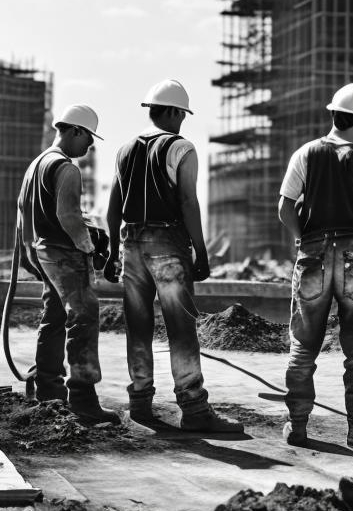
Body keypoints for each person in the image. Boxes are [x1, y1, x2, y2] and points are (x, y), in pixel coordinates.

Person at [105, 79, 243, 433]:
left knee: (138, 325)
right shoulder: (181, 148)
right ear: (171, 112)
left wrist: (111, 251)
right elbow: (187, 201)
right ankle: (194, 409)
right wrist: (200, 248)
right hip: (166, 241)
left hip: (130, 241)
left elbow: (114, 207)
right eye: (182, 114)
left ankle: (140, 402)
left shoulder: (124, 150)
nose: (183, 121)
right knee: (180, 327)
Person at [278, 83, 353, 449]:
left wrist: (306, 240)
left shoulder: (304, 153)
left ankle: (297, 424)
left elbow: (284, 208)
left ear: (332, 116)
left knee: (303, 344)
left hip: (313, 253)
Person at [17, 104, 120, 425]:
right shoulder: (66, 168)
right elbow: (68, 217)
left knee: (55, 316)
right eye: (88, 138)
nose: (89, 146)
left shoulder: (36, 165)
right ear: (75, 131)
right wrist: (91, 247)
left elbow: (24, 215)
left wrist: (32, 256)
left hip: (42, 251)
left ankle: (47, 388)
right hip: (64, 254)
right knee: (85, 318)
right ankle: (83, 399)